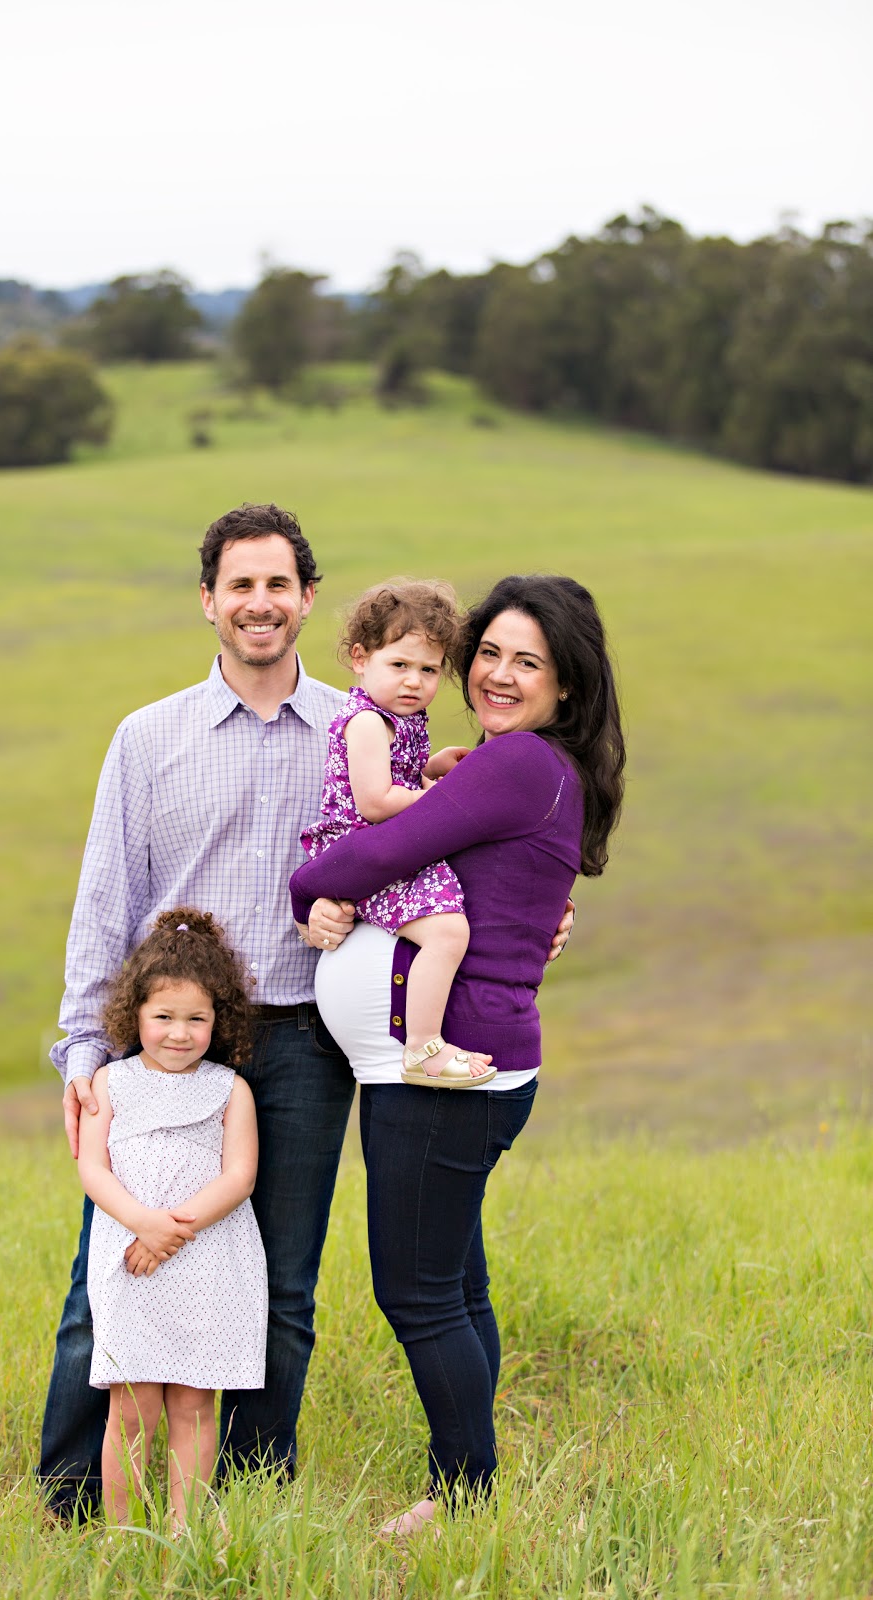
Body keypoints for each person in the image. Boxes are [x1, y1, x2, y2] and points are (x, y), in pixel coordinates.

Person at [38, 504, 574, 1518]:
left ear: (308, 599)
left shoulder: (365, 723)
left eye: (277, 584)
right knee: (106, 1274)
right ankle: (69, 1499)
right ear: (207, 601)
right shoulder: (147, 738)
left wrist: (544, 920)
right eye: (238, 585)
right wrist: (81, 1052)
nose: (259, 602)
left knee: (280, 1286)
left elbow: (459, 855)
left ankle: (247, 1494)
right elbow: (104, 902)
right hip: (167, 1047)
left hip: (301, 1040)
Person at [290, 574, 624, 1536]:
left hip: (444, 1074)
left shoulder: (517, 763)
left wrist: (309, 888)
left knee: (418, 1292)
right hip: (457, 1069)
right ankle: (470, 1486)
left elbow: (365, 855)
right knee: (455, 1285)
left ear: (566, 683)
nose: (499, 675)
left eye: (529, 662)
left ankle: (464, 1499)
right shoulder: (520, 764)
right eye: (489, 654)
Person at [78, 907, 267, 1530]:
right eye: (163, 1017)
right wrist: (144, 1224)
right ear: (135, 1014)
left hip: (207, 1261)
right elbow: (93, 1169)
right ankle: (123, 1533)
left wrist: (171, 1231)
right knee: (131, 1410)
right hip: (131, 1259)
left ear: (219, 1019)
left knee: (193, 1405)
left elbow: (239, 1177)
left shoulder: (230, 1089)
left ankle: (187, 1532)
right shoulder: (110, 1082)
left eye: (196, 1019)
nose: (179, 1034)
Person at [300, 579, 492, 1086]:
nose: (414, 681)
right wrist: (444, 800)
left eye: (428, 670)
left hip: (388, 846)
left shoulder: (400, 717)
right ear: (361, 658)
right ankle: (424, 1048)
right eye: (400, 665)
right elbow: (376, 801)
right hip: (365, 855)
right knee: (448, 932)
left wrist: (431, 769)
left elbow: (398, 778)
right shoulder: (367, 721)